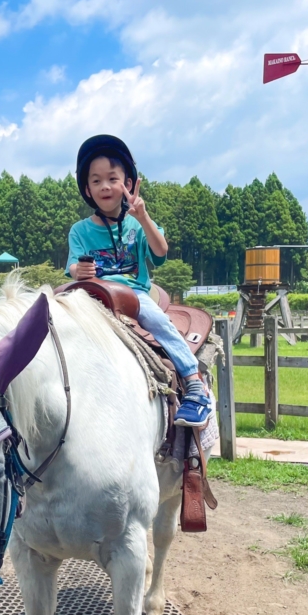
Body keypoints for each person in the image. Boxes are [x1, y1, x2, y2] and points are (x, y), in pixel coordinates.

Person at [66, 134, 212, 427]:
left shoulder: (137, 223)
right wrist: (76, 272)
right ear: (87, 189)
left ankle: (194, 385)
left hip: (132, 297)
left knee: (158, 322)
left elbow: (160, 252)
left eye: (112, 178)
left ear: (128, 184)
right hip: (94, 296)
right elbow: (72, 264)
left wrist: (144, 217)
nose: (104, 186)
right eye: (96, 181)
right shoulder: (79, 230)